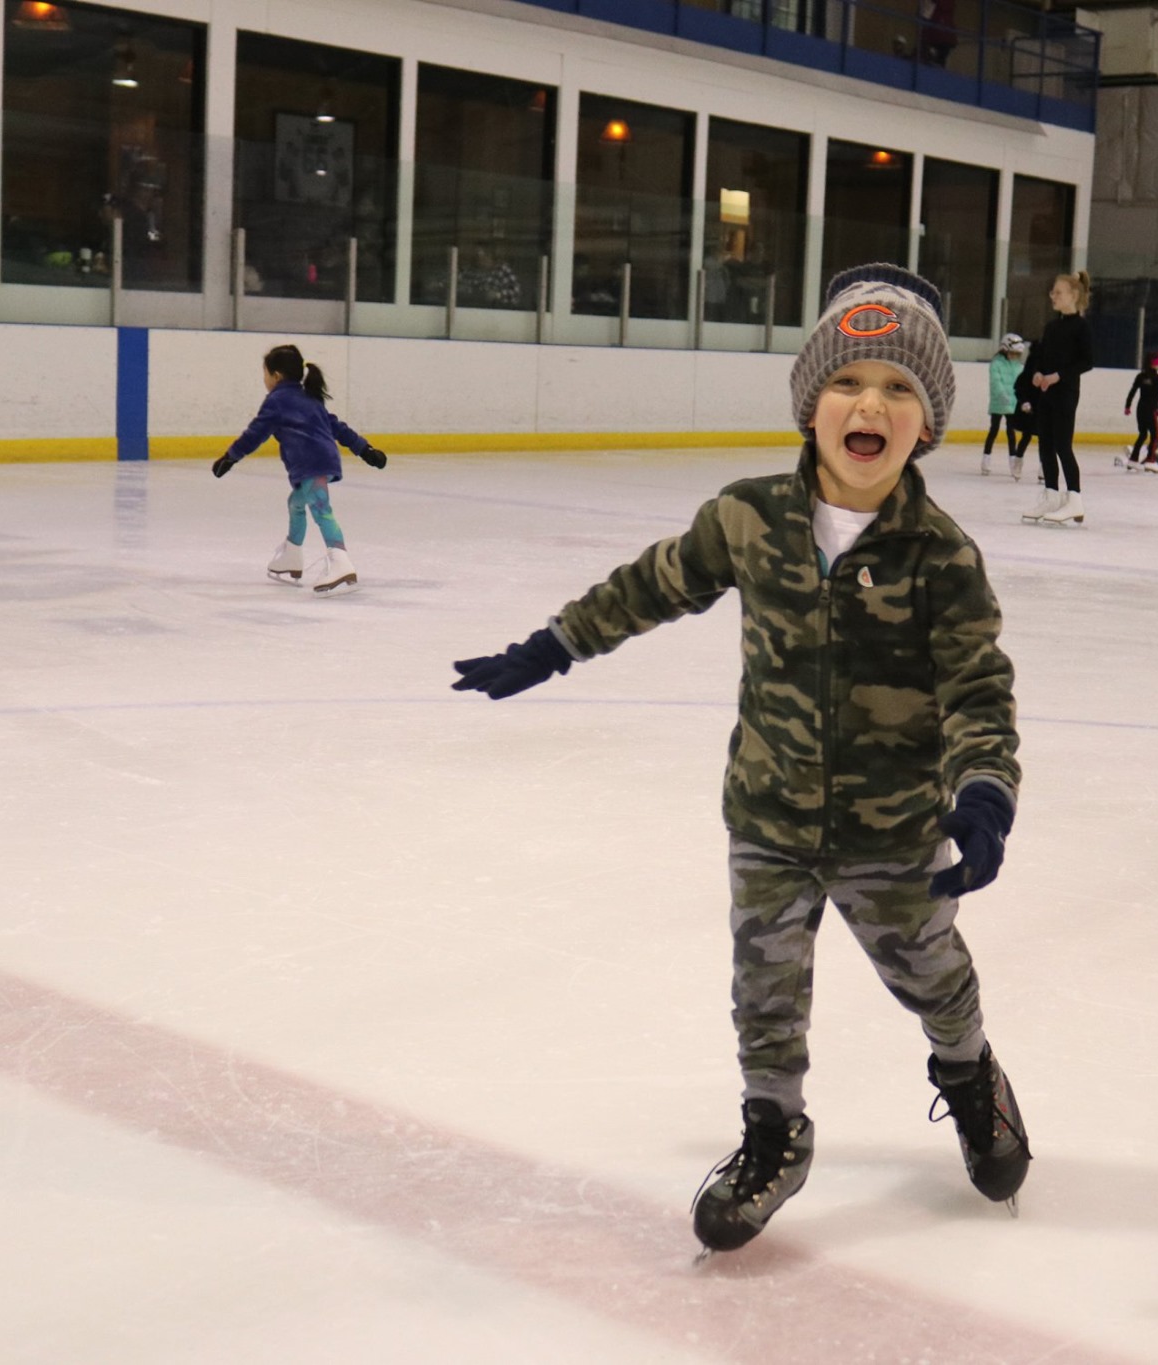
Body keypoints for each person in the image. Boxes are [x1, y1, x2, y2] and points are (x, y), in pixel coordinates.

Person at [450, 264, 1030, 1254]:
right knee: (763, 991)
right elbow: (650, 586)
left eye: (898, 390)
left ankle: (968, 1074)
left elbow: (978, 691)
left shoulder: (941, 556)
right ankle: (774, 1132)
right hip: (765, 815)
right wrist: (550, 647)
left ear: (924, 424)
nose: (870, 405)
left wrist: (981, 797)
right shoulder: (746, 518)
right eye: (849, 382)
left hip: (892, 831)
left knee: (929, 975)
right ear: (810, 405)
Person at [211, 343, 387, 595]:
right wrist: (365, 450)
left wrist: (230, 457)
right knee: (296, 503)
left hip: (311, 463)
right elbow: (336, 426)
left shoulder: (277, 401)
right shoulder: (309, 397)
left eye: (265, 374)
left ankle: (340, 561)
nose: (264, 379)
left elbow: (255, 433)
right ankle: (292, 554)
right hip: (320, 461)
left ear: (276, 376)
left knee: (321, 509)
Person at [1017, 272, 1095, 527]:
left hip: (1066, 393)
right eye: (1052, 292)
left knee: (1063, 446)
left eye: (1058, 292)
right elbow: (1041, 356)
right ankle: (1051, 495)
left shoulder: (1081, 327)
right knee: (1045, 446)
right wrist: (1038, 373)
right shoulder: (1051, 327)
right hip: (1046, 394)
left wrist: (1059, 376)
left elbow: (1087, 361)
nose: (1053, 296)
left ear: (1073, 296)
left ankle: (1074, 499)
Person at [982, 332, 1028, 477]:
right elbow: (996, 383)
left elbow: (1021, 384)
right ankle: (986, 460)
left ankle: (1013, 462)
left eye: (1017, 354)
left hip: (1013, 404)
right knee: (994, 430)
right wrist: (1003, 396)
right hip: (998, 403)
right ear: (1005, 349)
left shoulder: (1019, 367)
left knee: (1011, 432)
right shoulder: (996, 364)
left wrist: (1020, 400)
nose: (1015, 356)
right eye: (1013, 353)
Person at [1120, 352, 1158, 470]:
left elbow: (1132, 392)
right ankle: (1150, 460)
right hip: (1151, 410)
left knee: (1143, 434)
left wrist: (1127, 406)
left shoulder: (1140, 376)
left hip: (1140, 409)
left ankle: (1133, 459)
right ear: (1156, 363)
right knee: (1155, 436)